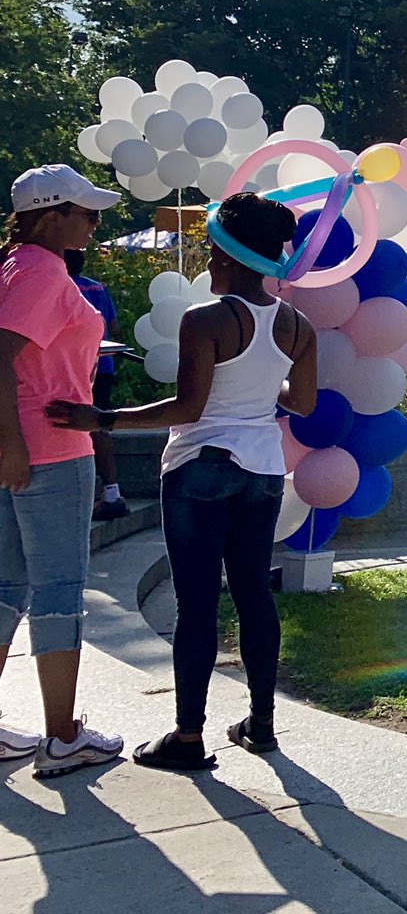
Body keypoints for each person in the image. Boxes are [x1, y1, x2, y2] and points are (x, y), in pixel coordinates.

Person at [50, 191, 318, 770]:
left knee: (196, 604)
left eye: (213, 252)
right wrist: (259, 382)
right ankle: (261, 725)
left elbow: (188, 409)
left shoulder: (205, 319)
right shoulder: (297, 324)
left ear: (228, 256)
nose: (208, 262)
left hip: (200, 467)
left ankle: (189, 737)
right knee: (253, 595)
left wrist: (103, 420)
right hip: (263, 471)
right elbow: (302, 401)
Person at [0, 164, 126, 778]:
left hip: (21, 449)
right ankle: (62, 737)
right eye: (87, 212)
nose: (95, 222)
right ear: (52, 217)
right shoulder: (43, 272)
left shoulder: (15, 265)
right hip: (48, 451)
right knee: (58, 591)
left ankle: (51, 733)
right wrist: (14, 446)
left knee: (5, 588)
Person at [63, 249, 126, 522]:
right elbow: (114, 325)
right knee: (100, 425)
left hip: (76, 367)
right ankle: (112, 491)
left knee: (74, 424)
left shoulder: (61, 287)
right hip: (105, 365)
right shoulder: (98, 287)